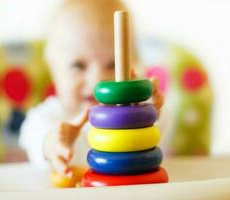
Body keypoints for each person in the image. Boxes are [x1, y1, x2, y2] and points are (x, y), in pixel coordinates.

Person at [19, 0, 164, 178]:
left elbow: (157, 145)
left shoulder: (136, 115)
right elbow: (34, 135)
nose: (97, 80)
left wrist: (147, 115)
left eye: (113, 65)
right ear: (53, 69)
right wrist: (51, 144)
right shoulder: (47, 117)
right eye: (79, 65)